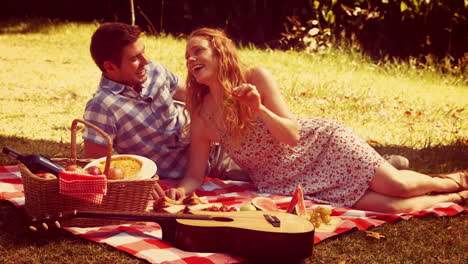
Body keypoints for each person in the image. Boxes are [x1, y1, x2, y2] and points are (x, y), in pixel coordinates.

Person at [166, 27, 467, 213]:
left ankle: (454, 180)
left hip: (320, 145)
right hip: (282, 181)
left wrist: (258, 108)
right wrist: (182, 190)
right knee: (390, 206)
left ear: (219, 53)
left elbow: (292, 136)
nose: (191, 59)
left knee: (397, 185)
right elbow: (195, 173)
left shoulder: (256, 77)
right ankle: (458, 198)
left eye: (198, 51)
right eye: (187, 56)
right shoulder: (203, 113)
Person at [82, 22, 248, 194]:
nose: (145, 62)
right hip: (182, 178)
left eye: (143, 52)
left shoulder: (154, 70)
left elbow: (194, 97)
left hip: (218, 151)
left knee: (267, 176)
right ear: (110, 66)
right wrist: (136, 182)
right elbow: (97, 169)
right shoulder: (101, 107)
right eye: (134, 58)